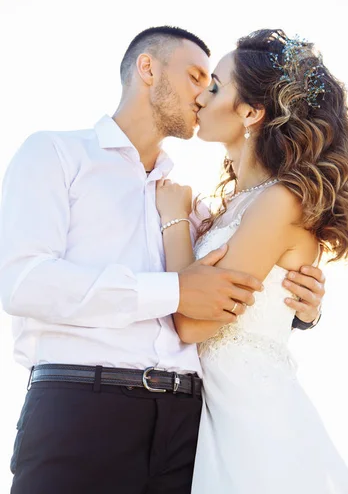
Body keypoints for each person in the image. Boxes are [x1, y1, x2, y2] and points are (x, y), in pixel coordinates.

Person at [0, 26, 325, 494]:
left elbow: (243, 281)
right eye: (196, 77)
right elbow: (24, 282)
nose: (203, 93)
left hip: (188, 428)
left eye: (213, 83)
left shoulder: (190, 205)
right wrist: (173, 291)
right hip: (82, 408)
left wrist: (301, 311)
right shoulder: (57, 153)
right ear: (148, 69)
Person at [155, 29, 348, 493]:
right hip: (212, 420)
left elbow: (190, 323)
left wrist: (173, 222)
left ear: (251, 112)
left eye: (216, 86)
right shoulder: (238, 205)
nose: (201, 95)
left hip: (254, 426)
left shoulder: (280, 202)